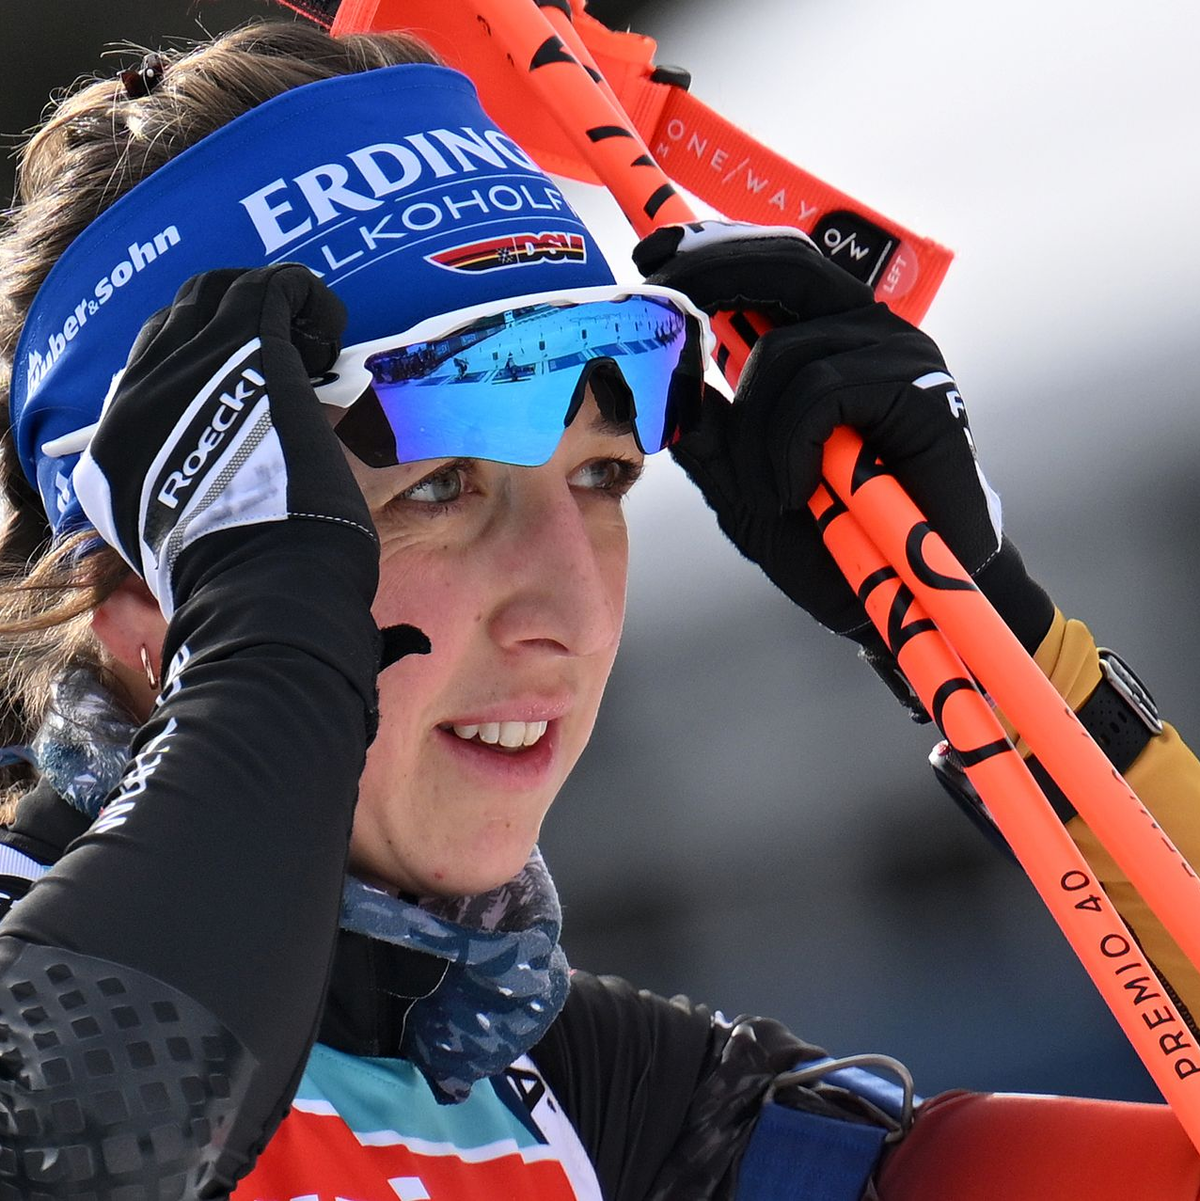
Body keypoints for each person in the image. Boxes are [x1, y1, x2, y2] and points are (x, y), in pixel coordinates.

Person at [0, 19, 1198, 1201]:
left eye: (603, 476)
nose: (569, 609)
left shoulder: (622, 1118)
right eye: (439, 487)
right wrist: (264, 669)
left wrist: (998, 647)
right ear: (140, 591)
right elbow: (76, 1145)